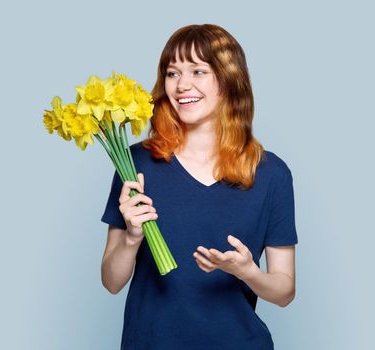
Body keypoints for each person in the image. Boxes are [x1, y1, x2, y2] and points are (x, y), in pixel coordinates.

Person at [100, 23, 298, 350]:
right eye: (173, 73)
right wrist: (133, 238)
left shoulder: (271, 174)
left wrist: (248, 272)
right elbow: (111, 281)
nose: (182, 85)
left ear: (228, 80)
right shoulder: (134, 162)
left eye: (198, 71)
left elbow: (285, 291)